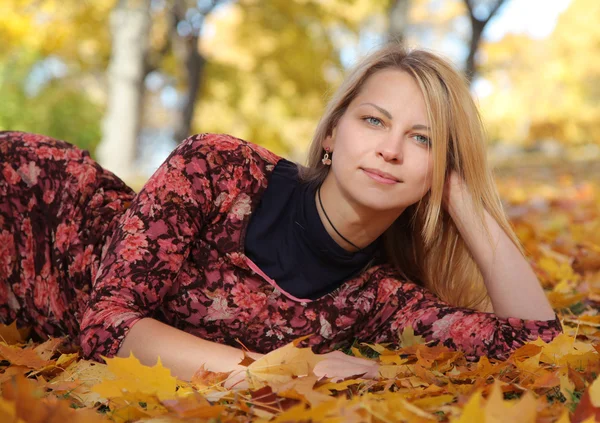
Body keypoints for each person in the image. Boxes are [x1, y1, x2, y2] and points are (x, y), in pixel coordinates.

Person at [0, 43, 561, 388]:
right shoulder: (218, 169)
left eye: (423, 139)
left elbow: (540, 349)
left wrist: (465, 199)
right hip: (27, 201)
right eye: (373, 121)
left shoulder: (384, 302)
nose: (391, 149)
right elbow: (106, 326)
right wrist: (290, 369)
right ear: (332, 135)